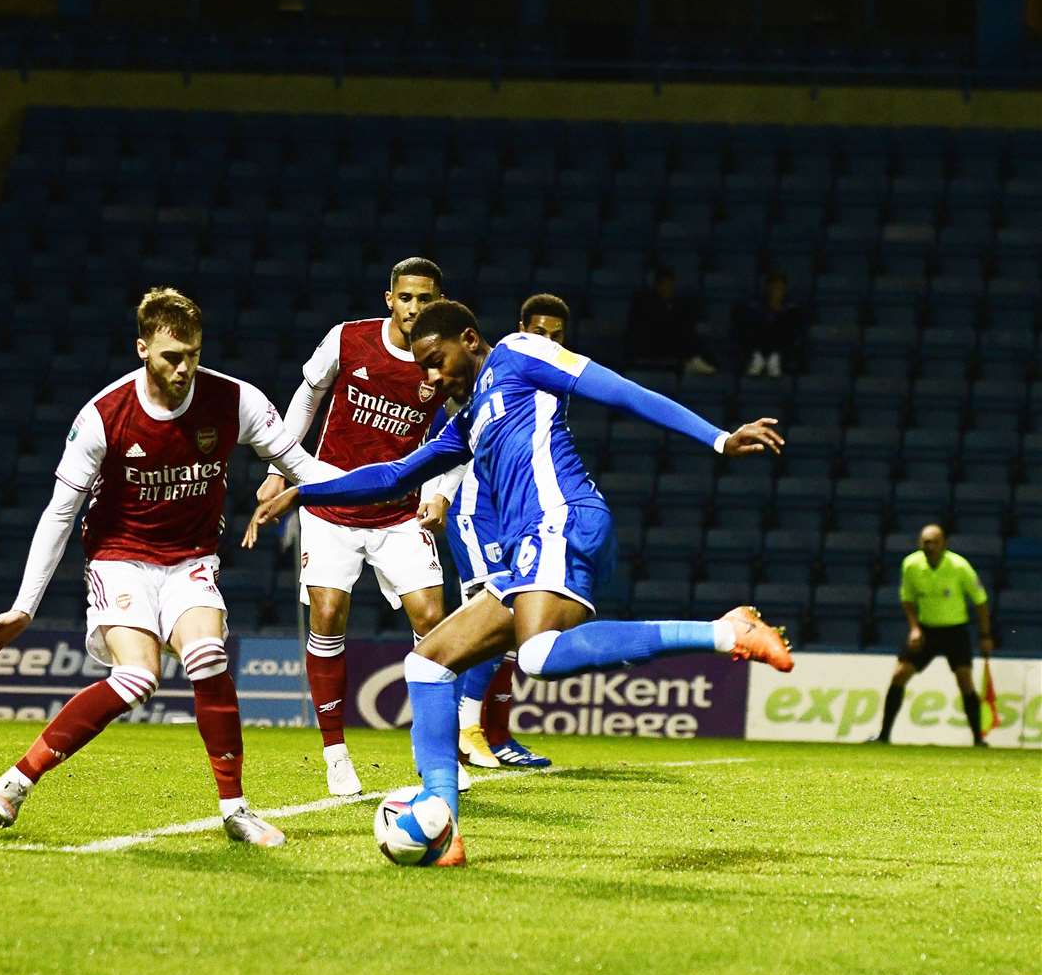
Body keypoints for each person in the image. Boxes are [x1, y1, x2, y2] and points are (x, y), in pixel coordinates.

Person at [247, 298, 793, 865]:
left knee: (536, 655)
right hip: (531, 543)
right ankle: (444, 823)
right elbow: (393, 476)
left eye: (436, 361)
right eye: (422, 370)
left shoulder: (518, 352)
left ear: (469, 338)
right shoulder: (471, 419)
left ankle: (726, 631)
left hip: (564, 516)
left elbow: (622, 391)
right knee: (427, 663)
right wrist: (304, 490)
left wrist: (716, 438)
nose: (431, 380)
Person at [0, 288, 341, 847]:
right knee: (138, 678)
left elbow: (303, 467)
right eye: (171, 355)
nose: (184, 366)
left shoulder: (235, 400)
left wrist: (380, 491)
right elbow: (59, 513)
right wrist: (24, 608)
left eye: (192, 352)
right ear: (142, 348)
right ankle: (17, 781)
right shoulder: (103, 416)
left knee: (207, 655)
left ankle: (236, 809)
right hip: (119, 557)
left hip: (190, 559)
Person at [253, 257, 455, 797]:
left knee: (434, 618)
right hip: (331, 500)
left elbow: (458, 437)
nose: (415, 307)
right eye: (407, 297)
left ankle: (433, 748)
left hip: (398, 508)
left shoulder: (444, 357)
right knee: (327, 611)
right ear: (390, 298)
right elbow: (307, 396)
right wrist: (279, 469)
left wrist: (438, 494)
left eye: (425, 298)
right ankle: (335, 755)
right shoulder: (347, 339)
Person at [444, 293, 576, 772]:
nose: (546, 342)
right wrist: (436, 495)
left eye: (556, 337)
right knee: (492, 625)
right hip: (477, 512)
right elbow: (451, 436)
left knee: (515, 633)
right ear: (521, 327)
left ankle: (495, 734)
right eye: (538, 332)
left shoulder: (548, 384)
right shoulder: (496, 371)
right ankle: (467, 731)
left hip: (514, 517)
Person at [871, 524, 995, 746]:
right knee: (899, 675)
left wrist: (985, 635)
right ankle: (884, 735)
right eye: (926, 541)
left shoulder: (959, 566)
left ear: (944, 543)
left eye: (935, 541)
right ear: (921, 543)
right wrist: (914, 628)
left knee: (964, 680)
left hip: (955, 630)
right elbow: (907, 598)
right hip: (926, 629)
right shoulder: (911, 564)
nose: (930, 546)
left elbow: (980, 601)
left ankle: (978, 739)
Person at [625, 266, 716, 376]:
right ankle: (690, 360)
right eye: (665, 284)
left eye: (670, 284)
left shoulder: (678, 304)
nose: (668, 288)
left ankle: (694, 360)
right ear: (657, 285)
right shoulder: (644, 304)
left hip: (674, 346)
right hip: (652, 346)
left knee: (689, 330)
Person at [732, 270, 806, 379]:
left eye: (780, 288)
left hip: (781, 347)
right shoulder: (756, 306)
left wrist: (778, 312)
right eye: (773, 287)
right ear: (767, 288)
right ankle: (759, 358)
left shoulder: (792, 309)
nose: (776, 291)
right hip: (759, 342)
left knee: (786, 322)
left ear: (785, 289)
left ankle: (774, 357)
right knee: (750, 320)